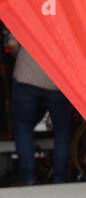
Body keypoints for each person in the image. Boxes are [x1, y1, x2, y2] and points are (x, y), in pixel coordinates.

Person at [5, 28, 74, 185]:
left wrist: (21, 58)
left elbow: (12, 42)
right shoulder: (67, 13)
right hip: (58, 81)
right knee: (62, 130)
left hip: (27, 77)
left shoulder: (31, 6)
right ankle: (60, 178)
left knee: (23, 127)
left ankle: (27, 177)